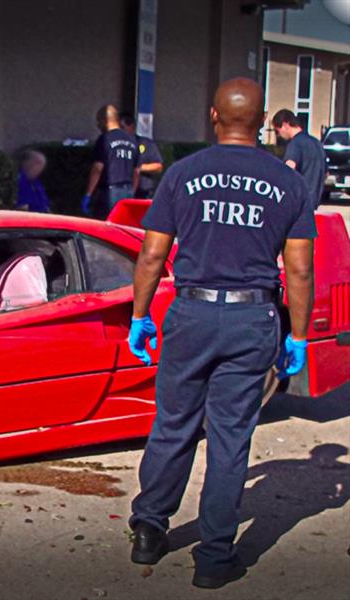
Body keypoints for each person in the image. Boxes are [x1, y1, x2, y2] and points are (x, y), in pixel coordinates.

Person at [126, 78, 315, 589]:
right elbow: (298, 272)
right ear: (261, 125)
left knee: (173, 424)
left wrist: (139, 315)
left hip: (191, 312)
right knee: (230, 438)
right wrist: (298, 336)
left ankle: (149, 527)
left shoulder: (183, 174)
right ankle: (214, 558)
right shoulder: (288, 182)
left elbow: (151, 254)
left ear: (214, 116)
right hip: (252, 319)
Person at [82, 104, 139, 218]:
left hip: (109, 193)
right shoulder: (132, 140)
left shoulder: (104, 139)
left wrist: (88, 193)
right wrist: (132, 192)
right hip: (127, 190)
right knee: (123, 225)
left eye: (99, 121)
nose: (98, 125)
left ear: (105, 120)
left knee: (105, 227)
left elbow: (98, 168)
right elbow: (136, 171)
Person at [271, 109, 327, 210]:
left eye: (277, 131)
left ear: (285, 124)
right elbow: (326, 174)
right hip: (313, 203)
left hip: (298, 203)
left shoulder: (295, 143)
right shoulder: (317, 144)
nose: (278, 135)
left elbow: (288, 169)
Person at [119, 112, 164, 198]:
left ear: (131, 126)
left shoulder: (145, 143)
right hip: (121, 191)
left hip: (143, 192)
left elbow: (158, 166)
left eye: (122, 128)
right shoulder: (117, 145)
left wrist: (139, 168)